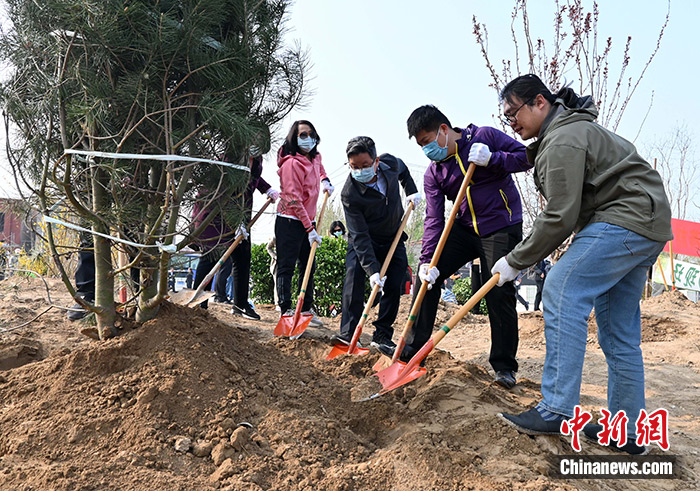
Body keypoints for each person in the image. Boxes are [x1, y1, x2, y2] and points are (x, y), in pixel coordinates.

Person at [492, 74, 672, 454]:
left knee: (560, 286)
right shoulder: (567, 133)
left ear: (540, 102)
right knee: (618, 332)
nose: (512, 122)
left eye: (514, 113)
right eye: (506, 117)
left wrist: (515, 260)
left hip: (625, 218)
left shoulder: (563, 140)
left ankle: (556, 408)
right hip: (647, 224)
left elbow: (559, 216)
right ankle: (629, 431)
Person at [379, 105, 531, 388]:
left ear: (444, 130)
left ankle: (504, 366)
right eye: (421, 146)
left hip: (500, 224)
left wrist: (493, 158)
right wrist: (426, 261)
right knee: (428, 279)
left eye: (427, 142)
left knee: (498, 289)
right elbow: (434, 219)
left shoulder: (484, 136)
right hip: (463, 228)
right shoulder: (434, 172)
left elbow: (527, 158)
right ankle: (411, 356)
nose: (426, 150)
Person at [331, 136, 420, 349]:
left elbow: (404, 169)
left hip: (393, 236)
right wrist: (372, 270)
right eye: (354, 167)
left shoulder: (390, 165)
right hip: (364, 239)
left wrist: (411, 191)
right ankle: (348, 333)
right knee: (354, 276)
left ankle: (382, 334)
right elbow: (360, 236)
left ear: (376, 161)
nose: (360, 171)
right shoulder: (350, 193)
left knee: (395, 279)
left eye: (364, 165)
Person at [192, 146, 279, 318]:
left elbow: (252, 178)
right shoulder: (230, 157)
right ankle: (197, 305)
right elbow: (224, 190)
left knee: (243, 257)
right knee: (211, 256)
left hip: (242, 214)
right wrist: (235, 222)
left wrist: (266, 189)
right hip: (215, 214)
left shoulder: (257, 159)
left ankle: (240, 304)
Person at [275, 120, 334, 327]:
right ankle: (286, 310)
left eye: (310, 133)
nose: (307, 138)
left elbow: (319, 166)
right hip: (290, 220)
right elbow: (293, 199)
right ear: (294, 138)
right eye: (302, 135)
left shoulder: (315, 157)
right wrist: (309, 228)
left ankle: (306, 308)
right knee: (287, 266)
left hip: (309, 220)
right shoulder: (291, 163)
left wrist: (325, 179)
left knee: (309, 265)